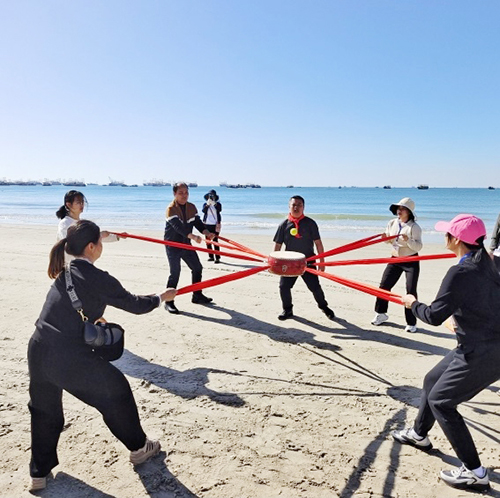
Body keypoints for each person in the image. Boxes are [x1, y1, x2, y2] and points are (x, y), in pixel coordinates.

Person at [28, 220, 177, 492]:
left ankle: (39, 472)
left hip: (39, 346)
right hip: (67, 354)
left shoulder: (68, 270)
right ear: (92, 246)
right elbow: (134, 304)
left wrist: (95, 316)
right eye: (99, 243)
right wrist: (161, 297)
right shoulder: (97, 277)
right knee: (116, 390)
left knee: (44, 411)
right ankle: (139, 448)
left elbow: (71, 305)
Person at [393, 214, 500, 492]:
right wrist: (463, 316)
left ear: (455, 240)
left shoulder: (460, 272)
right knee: (432, 380)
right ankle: (419, 434)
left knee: (442, 402)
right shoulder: (490, 263)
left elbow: (433, 316)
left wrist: (412, 303)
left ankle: (475, 472)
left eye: (447, 234)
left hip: (482, 352)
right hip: (479, 343)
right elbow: (481, 301)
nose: (444, 237)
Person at [273, 195, 335, 321]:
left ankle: (324, 307)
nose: (296, 208)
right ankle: (287, 310)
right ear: (289, 207)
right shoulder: (283, 225)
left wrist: (322, 262)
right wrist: (274, 263)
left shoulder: (310, 223)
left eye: (299, 205)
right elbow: (277, 245)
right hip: (289, 262)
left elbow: (318, 243)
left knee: (315, 287)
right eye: (293, 205)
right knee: (284, 287)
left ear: (303, 207)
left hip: (308, 262)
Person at [371, 197, 422, 333]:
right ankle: (381, 313)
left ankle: (411, 323)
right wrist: (384, 238)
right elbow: (389, 239)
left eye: (403, 209)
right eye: (398, 208)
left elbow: (418, 246)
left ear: (409, 212)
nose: (399, 211)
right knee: (384, 286)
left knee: (410, 290)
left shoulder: (414, 227)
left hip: (410, 260)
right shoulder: (392, 222)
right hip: (394, 259)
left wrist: (409, 240)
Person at [163, 182, 214, 314]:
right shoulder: (171, 209)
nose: (184, 195)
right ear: (174, 194)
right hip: (173, 245)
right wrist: (193, 237)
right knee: (175, 273)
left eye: (186, 193)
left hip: (186, 243)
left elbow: (197, 223)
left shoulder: (191, 207)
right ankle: (169, 302)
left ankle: (197, 295)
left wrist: (207, 232)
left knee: (197, 268)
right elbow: (178, 228)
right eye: (181, 193)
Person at [202, 189, 222, 263]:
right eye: (210, 196)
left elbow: (219, 210)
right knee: (208, 241)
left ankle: (217, 257)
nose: (211, 198)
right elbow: (203, 211)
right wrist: (208, 204)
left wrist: (214, 203)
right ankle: (211, 256)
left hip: (215, 224)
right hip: (207, 224)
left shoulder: (218, 204)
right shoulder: (205, 204)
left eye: (212, 196)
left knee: (215, 240)